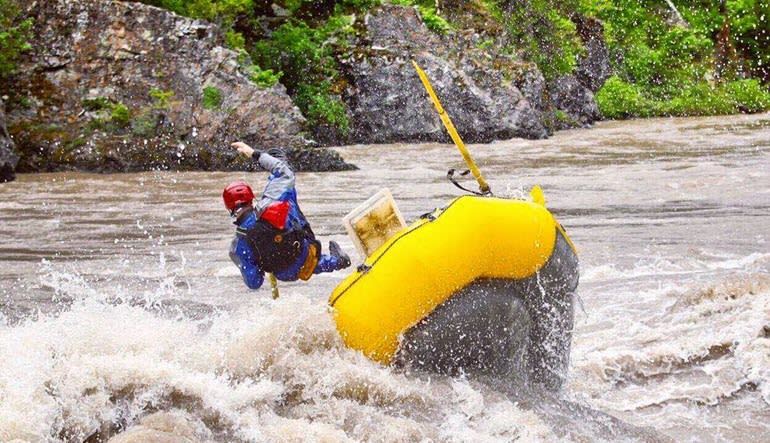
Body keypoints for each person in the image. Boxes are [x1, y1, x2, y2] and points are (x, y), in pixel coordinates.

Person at [225, 142, 351, 290]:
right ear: (251, 199)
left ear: (229, 208)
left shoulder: (238, 244)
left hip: (283, 274)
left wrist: (250, 261)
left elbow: (254, 283)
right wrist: (255, 154)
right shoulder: (270, 202)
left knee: (292, 261)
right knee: (286, 193)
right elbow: (286, 174)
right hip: (305, 250)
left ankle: (334, 261)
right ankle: (337, 262)